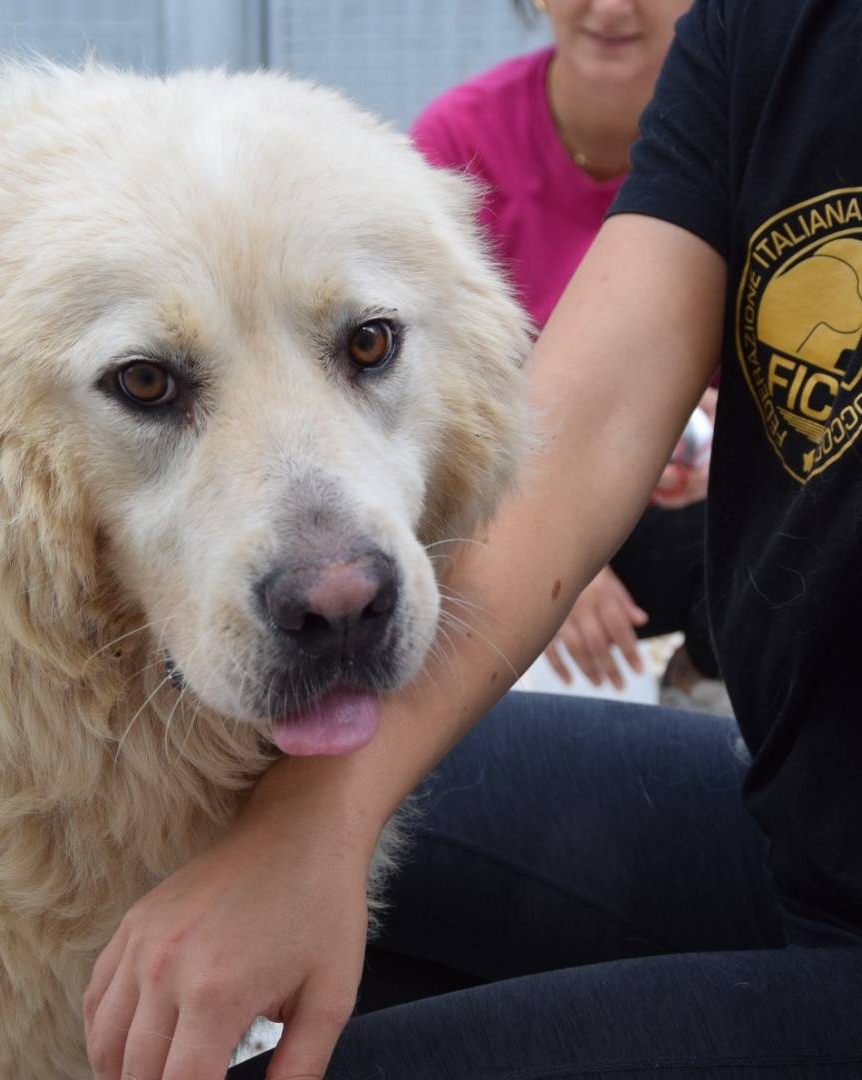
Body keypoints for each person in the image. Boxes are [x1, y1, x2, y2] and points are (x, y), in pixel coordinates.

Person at [82, 1, 862, 1077]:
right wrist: (318, 825)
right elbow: (579, 427)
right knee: (222, 811)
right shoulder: (764, 28)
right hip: (801, 826)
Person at [410, 0, 726, 707]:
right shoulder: (459, 141)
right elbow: (423, 409)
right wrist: (546, 554)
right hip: (512, 498)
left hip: (702, 521)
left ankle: (705, 686)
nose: (611, 7)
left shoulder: (753, 143)